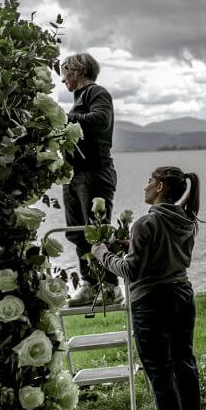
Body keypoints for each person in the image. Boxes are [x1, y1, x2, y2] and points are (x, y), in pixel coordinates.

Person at [91, 166, 202, 410]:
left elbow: (131, 271)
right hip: (182, 295)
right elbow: (170, 254)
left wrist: (102, 254)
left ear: (161, 187)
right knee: (184, 363)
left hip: (152, 302)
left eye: (150, 181)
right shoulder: (186, 219)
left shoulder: (145, 223)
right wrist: (134, 246)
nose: (145, 185)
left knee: (160, 371)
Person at [60, 52, 120, 305]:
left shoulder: (97, 93)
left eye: (65, 72)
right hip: (75, 176)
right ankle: (89, 284)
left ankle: (110, 287)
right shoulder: (79, 99)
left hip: (95, 173)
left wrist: (63, 118)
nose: (63, 79)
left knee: (97, 231)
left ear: (78, 70)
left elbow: (100, 120)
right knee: (78, 233)